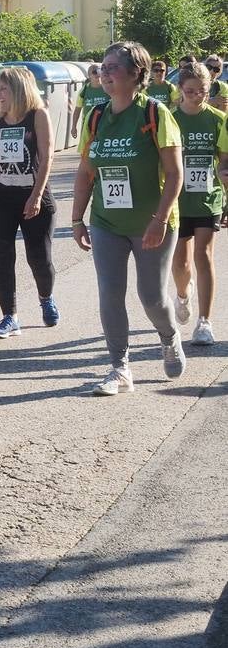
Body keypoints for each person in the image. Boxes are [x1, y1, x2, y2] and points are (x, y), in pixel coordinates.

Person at [71, 41, 184, 397]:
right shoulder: (96, 116)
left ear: (137, 74)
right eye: (103, 67)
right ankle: (119, 367)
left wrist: (159, 219)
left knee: (152, 297)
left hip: (153, 221)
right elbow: (85, 172)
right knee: (110, 292)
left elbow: (175, 174)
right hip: (107, 221)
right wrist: (77, 219)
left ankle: (168, 337)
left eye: (113, 68)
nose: (104, 74)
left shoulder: (154, 113)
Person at [0, 67, 58, 338]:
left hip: (34, 196)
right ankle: (9, 317)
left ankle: (46, 297)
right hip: (1, 197)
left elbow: (47, 158)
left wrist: (36, 196)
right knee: (1, 257)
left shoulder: (37, 115)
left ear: (19, 89)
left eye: (3, 89)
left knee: (39, 258)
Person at [169, 63, 228, 345]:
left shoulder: (218, 119)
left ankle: (205, 322)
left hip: (208, 196)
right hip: (178, 200)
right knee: (180, 262)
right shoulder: (168, 118)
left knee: (203, 255)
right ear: (180, 89)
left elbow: (224, 161)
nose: (196, 96)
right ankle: (182, 294)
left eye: (202, 91)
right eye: (190, 91)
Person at [71, 64, 110, 141]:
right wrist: (74, 126)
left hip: (104, 125)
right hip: (88, 127)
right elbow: (77, 109)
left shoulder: (108, 88)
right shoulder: (84, 90)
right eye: (95, 72)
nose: (98, 74)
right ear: (89, 76)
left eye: (100, 71)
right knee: (86, 151)